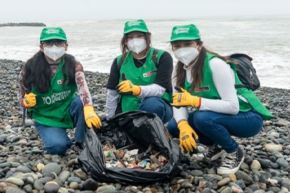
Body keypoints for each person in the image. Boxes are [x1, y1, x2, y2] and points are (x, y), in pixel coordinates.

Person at [167, 24, 272, 175]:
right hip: (220, 115)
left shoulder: (215, 65)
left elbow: (232, 107)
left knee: (201, 117)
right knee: (173, 125)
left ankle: (234, 151)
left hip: (248, 118)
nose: (182, 49)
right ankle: (217, 146)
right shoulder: (178, 72)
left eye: (187, 44)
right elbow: (178, 103)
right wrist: (183, 126)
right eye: (177, 46)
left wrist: (196, 101)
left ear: (199, 44)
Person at [19, 27, 102, 155]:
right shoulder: (29, 67)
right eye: (49, 43)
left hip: (66, 109)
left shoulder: (74, 65)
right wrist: (26, 102)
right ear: (41, 46)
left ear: (66, 46)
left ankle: (80, 142)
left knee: (81, 103)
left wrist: (89, 108)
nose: (54, 47)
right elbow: (22, 96)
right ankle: (60, 138)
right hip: (45, 116)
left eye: (58, 43)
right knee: (57, 148)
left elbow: (83, 90)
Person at [105, 19, 173, 123]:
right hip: (128, 108)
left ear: (147, 37)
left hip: (157, 106)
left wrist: (136, 90)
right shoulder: (119, 61)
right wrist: (110, 118)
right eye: (130, 37)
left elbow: (161, 89)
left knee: (152, 105)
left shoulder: (162, 57)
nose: (135, 40)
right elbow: (112, 93)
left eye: (139, 36)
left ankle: (157, 130)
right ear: (125, 41)